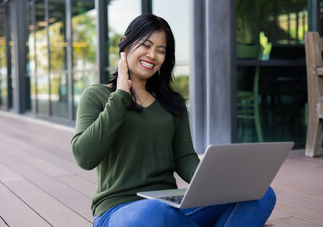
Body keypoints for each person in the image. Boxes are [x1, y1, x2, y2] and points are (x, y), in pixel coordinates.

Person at [71, 14, 276, 227]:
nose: (152, 55)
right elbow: (84, 157)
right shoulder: (96, 96)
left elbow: (184, 158)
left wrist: (218, 183)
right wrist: (121, 94)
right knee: (154, 212)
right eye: (146, 45)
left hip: (169, 204)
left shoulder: (172, 103)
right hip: (118, 211)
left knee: (262, 194)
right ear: (126, 42)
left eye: (161, 50)